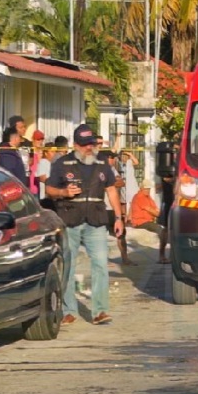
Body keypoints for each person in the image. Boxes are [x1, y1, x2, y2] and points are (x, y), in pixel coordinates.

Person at [47, 123, 124, 325]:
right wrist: (64, 193)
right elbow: (50, 190)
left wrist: (118, 217)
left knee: (100, 264)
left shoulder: (102, 164)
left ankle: (100, 311)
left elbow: (112, 191)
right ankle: (68, 310)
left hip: (96, 220)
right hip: (70, 219)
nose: (88, 148)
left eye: (90, 143)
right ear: (75, 145)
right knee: (69, 266)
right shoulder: (62, 164)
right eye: (84, 145)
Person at [115, 149, 140, 265]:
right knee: (123, 202)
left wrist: (130, 154)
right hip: (122, 188)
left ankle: (128, 218)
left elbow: (137, 162)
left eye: (126, 156)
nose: (124, 158)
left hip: (130, 185)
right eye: (123, 156)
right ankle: (124, 218)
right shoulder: (117, 164)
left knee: (131, 202)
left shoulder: (129, 163)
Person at [155, 138, 176, 264]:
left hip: (181, 201)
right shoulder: (166, 167)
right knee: (166, 229)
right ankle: (161, 255)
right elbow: (167, 180)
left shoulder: (183, 162)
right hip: (168, 201)